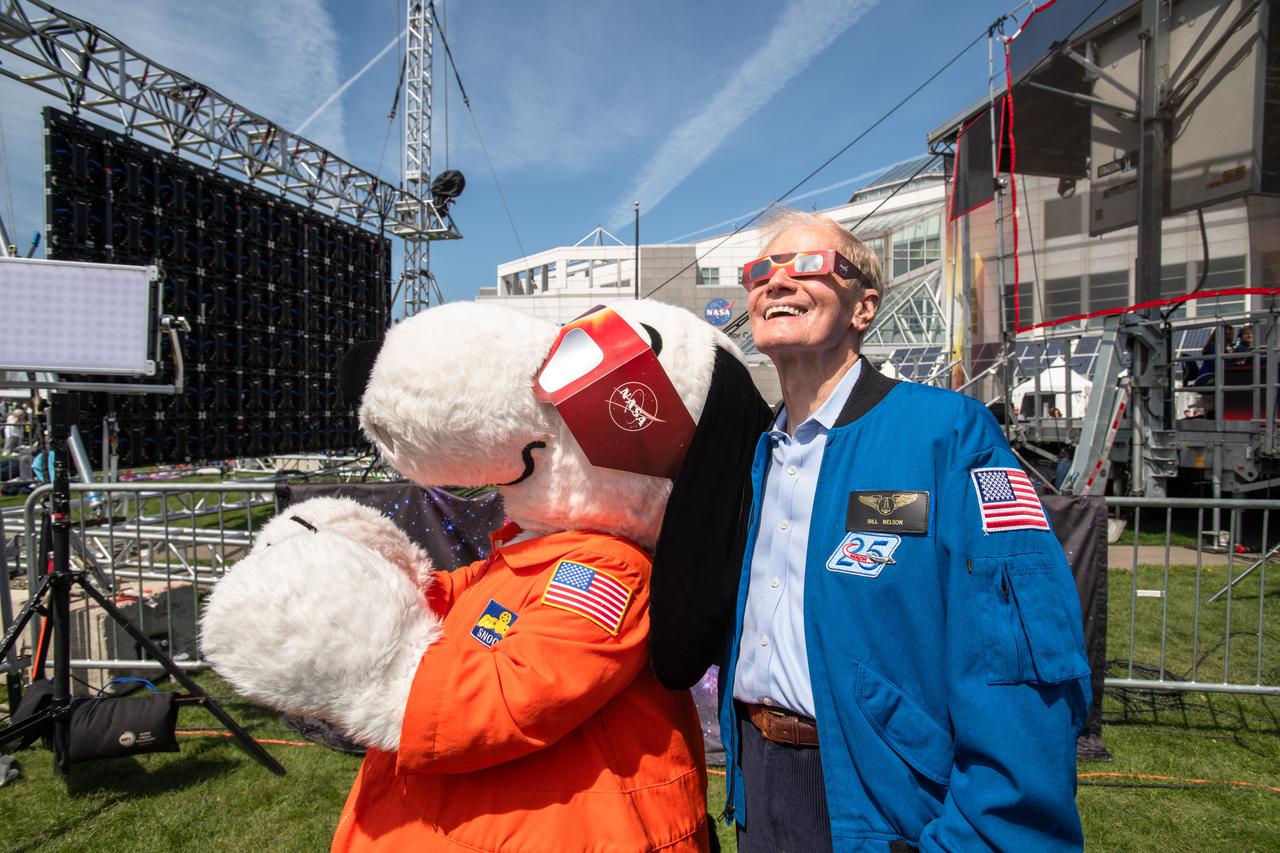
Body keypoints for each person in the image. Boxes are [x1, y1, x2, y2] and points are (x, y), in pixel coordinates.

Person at [717, 210, 1091, 851]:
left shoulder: (948, 432)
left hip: (887, 797)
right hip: (760, 782)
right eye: (761, 271)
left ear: (863, 308)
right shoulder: (760, 454)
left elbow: (1019, 652)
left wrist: (988, 833)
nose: (776, 281)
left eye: (809, 265)